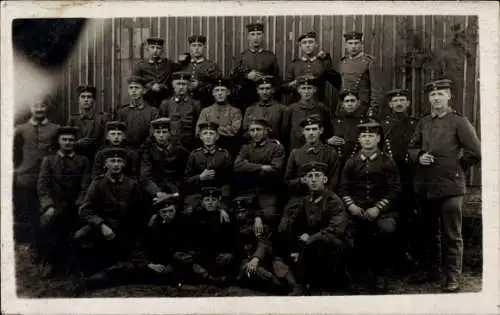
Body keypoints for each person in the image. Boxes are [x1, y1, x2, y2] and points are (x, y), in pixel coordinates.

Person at [408, 79, 481, 292]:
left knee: (452, 234)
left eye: (440, 94)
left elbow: (475, 152)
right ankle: (430, 271)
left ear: (449, 96)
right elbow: (412, 146)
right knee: (428, 232)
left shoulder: (459, 121)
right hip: (427, 186)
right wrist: (419, 156)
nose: (436, 98)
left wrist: (456, 168)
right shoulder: (424, 122)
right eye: (432, 95)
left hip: (450, 188)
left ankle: (452, 277)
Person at [338, 118, 401, 292]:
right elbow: (343, 188)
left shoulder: (387, 161)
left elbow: (395, 189)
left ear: (378, 139)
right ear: (358, 139)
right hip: (356, 209)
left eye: (371, 136)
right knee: (348, 232)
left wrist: (378, 208)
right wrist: (351, 206)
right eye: (364, 136)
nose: (367, 139)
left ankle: (379, 274)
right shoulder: (351, 162)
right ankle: (355, 274)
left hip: (382, 211)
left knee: (384, 230)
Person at [281, 161, 348, 293]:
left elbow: (336, 229)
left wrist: (310, 238)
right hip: (311, 245)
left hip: (332, 244)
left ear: (324, 179)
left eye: (317, 175)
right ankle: (301, 284)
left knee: (323, 242)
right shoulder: (305, 201)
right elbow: (295, 225)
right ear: (305, 180)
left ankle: (326, 285)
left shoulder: (333, 201)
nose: (313, 180)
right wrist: (297, 243)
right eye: (310, 176)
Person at [77, 147, 143, 275]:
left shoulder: (131, 184)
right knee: (81, 236)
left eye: (119, 161)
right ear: (105, 164)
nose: (116, 164)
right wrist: (101, 225)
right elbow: (85, 210)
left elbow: (139, 210)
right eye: (112, 161)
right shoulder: (97, 183)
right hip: (102, 224)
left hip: (124, 226)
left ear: (124, 164)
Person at [37, 126, 91, 278]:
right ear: (59, 141)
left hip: (75, 204)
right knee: (49, 223)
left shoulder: (83, 161)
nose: (68, 143)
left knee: (79, 228)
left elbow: (85, 186)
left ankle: (74, 264)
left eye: (71, 140)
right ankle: (49, 262)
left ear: (75, 142)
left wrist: (81, 204)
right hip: (55, 204)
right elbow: (43, 186)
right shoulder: (49, 160)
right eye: (64, 140)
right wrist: (48, 205)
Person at [279, 115, 341, 237]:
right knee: (284, 228)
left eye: (314, 129)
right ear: (303, 132)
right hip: (300, 198)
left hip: (323, 198)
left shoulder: (330, 152)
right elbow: (286, 181)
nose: (311, 133)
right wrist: (301, 181)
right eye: (307, 129)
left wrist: (323, 195)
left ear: (321, 131)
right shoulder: (296, 153)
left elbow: (334, 180)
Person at [233, 196, 303, 295]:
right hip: (246, 260)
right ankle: (278, 286)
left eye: (243, 211)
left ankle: (295, 287)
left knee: (278, 264)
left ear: (249, 212)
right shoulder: (233, 227)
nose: (240, 215)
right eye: (238, 212)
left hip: (266, 258)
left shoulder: (258, 227)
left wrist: (256, 258)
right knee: (253, 269)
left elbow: (264, 243)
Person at [381, 89, 419, 267]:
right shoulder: (383, 125)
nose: (398, 103)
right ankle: (391, 255)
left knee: (409, 213)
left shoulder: (416, 123)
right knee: (391, 213)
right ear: (390, 104)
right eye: (395, 100)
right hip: (389, 176)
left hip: (410, 175)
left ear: (408, 103)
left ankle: (408, 254)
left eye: (402, 99)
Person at [13, 100, 59, 246]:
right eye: (35, 106)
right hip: (26, 176)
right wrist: (16, 168)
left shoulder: (55, 128)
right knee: (29, 208)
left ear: (47, 108)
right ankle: (31, 241)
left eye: (42, 106)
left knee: (47, 209)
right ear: (30, 107)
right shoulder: (20, 129)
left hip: (47, 177)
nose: (39, 109)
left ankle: (44, 242)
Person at [175, 187, 236, 285]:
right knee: (181, 256)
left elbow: (231, 239)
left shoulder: (225, 217)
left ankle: (214, 277)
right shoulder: (195, 215)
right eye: (207, 200)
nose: (210, 203)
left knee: (228, 257)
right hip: (199, 253)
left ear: (218, 202)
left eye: (213, 200)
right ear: (202, 202)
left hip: (216, 253)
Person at [234, 118, 286, 230]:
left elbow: (275, 169)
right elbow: (237, 166)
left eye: (259, 129)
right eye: (252, 130)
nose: (255, 133)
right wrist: (262, 167)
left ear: (266, 131)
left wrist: (248, 166)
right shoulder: (246, 148)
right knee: (242, 217)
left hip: (267, 191)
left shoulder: (275, 147)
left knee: (268, 217)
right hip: (248, 190)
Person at [140, 118, 189, 213]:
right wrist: (158, 193)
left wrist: (175, 193)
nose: (161, 135)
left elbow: (186, 175)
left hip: (176, 190)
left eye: (164, 132)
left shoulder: (180, 150)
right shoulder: (147, 150)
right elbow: (145, 177)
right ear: (153, 133)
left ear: (169, 133)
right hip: (156, 190)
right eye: (158, 132)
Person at [229, 22, 281, 110]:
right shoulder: (242, 56)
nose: (256, 37)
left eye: (258, 34)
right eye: (252, 34)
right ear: (248, 37)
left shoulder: (270, 56)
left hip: (266, 97)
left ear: (263, 36)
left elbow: (276, 79)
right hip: (246, 97)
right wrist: (246, 76)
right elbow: (234, 78)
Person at [283, 31, 341, 107]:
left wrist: (326, 60)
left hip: (318, 104)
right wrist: (294, 83)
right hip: (298, 105)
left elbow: (336, 81)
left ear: (316, 44)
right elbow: (285, 88)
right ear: (300, 45)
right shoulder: (294, 64)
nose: (307, 45)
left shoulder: (322, 63)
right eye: (304, 43)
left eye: (311, 42)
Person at [184, 122, 232, 211]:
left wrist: (223, 205)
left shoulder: (224, 154)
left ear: (217, 136)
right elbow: (186, 180)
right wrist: (200, 177)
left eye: (211, 133)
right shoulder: (194, 155)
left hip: (218, 195)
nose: (208, 136)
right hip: (198, 194)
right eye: (205, 133)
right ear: (200, 137)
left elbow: (229, 180)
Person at [338, 31, 383, 117]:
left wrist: (373, 110)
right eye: (350, 43)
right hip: (346, 107)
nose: (353, 46)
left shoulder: (369, 62)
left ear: (361, 44)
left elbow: (377, 90)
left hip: (362, 107)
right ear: (346, 45)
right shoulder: (343, 62)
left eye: (356, 43)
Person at [282, 75, 332, 150]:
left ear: (315, 89)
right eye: (303, 88)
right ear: (298, 90)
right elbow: (285, 133)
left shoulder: (321, 108)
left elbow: (328, 131)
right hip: (297, 150)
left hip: (317, 151)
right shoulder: (291, 109)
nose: (306, 91)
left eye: (309, 88)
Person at [196, 78, 242, 158]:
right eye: (217, 90)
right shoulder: (205, 111)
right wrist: (224, 129)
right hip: (208, 151)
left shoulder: (235, 111)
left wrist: (212, 129)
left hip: (228, 149)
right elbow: (198, 132)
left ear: (228, 92)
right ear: (213, 93)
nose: (220, 93)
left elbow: (235, 131)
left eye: (222, 90)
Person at [132, 37, 183, 107]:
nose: (155, 50)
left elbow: (182, 69)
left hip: (166, 101)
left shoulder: (168, 63)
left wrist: (184, 59)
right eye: (152, 47)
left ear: (162, 50)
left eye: (158, 48)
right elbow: (135, 84)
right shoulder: (140, 65)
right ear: (147, 49)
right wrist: (150, 86)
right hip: (147, 101)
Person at [159, 71, 201, 151]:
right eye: (178, 84)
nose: (181, 87)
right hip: (171, 144)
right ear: (173, 85)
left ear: (188, 85)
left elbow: (198, 125)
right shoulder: (166, 104)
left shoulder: (196, 104)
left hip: (191, 144)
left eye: (184, 84)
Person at [115, 76, 159, 150]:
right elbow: (119, 133)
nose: (133, 91)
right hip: (127, 149)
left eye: (137, 88)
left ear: (144, 91)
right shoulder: (123, 112)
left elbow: (153, 135)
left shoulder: (152, 111)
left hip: (146, 150)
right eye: (131, 88)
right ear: (128, 91)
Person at [67, 85, 109, 164]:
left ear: (93, 100)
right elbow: (67, 140)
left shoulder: (102, 119)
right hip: (77, 159)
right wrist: (78, 143)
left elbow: (106, 141)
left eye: (89, 97)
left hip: (96, 158)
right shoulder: (73, 119)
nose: (86, 100)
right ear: (79, 100)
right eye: (83, 97)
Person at [180, 35, 222, 107]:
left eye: (200, 45)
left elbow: (218, 86)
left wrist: (199, 85)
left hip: (205, 103)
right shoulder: (184, 65)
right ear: (189, 48)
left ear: (204, 47)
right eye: (193, 45)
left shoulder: (212, 65)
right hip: (185, 104)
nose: (196, 48)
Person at [328, 89, 365, 168]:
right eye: (347, 101)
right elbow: (326, 136)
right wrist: (328, 140)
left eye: (352, 101)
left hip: (359, 162)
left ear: (358, 102)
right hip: (339, 162)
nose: (350, 104)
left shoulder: (366, 121)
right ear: (342, 104)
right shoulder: (335, 121)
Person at [242, 75, 287, 141]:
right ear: (257, 90)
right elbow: (246, 131)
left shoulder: (282, 108)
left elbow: (285, 132)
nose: (264, 92)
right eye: (261, 89)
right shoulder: (250, 109)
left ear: (273, 90)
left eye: (267, 89)